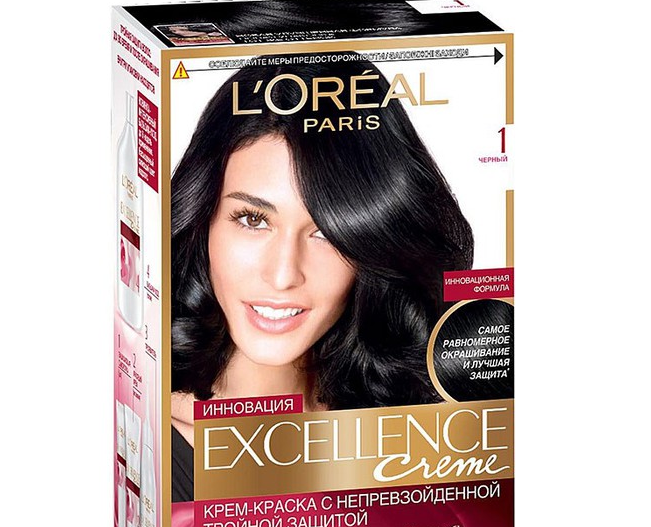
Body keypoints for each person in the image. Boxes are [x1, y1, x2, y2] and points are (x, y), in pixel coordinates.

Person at [170, 53, 474, 501]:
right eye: (253, 219)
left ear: (370, 243)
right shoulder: (146, 442)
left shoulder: (425, 439)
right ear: (204, 219)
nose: (283, 275)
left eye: (327, 233)